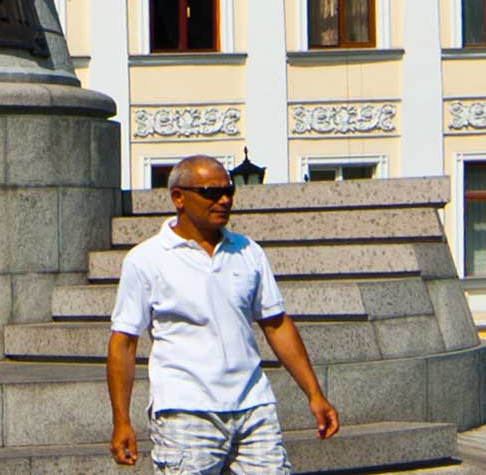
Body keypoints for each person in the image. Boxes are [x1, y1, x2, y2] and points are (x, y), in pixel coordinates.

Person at [108, 155, 338, 475]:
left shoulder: (247, 251)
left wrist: (315, 394)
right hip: (185, 411)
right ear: (178, 198)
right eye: (211, 193)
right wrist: (121, 421)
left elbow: (276, 324)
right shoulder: (146, 259)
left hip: (254, 406)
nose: (225, 200)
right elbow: (124, 342)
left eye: (229, 191)